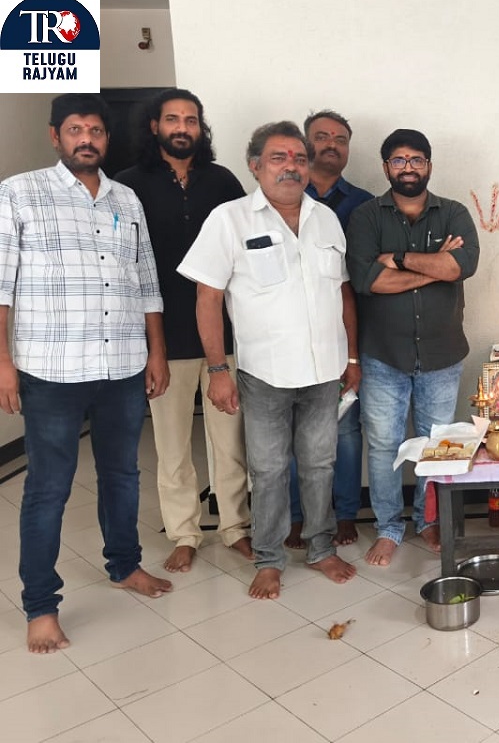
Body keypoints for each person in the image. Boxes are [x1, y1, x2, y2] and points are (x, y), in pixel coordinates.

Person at [0, 93, 173, 653]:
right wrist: (2, 363)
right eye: (75, 130)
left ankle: (124, 565)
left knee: (122, 474)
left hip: (121, 364)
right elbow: (1, 287)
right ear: (56, 136)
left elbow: (147, 282)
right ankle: (41, 606)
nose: (86, 140)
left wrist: (156, 352)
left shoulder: (126, 198)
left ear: (106, 138)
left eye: (95, 131)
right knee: (48, 488)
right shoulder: (19, 193)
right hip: (51, 370)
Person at [177, 121, 359, 599]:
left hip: (324, 371)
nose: (291, 167)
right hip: (265, 373)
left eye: (299, 158)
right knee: (269, 469)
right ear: (255, 166)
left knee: (320, 464)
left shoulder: (326, 219)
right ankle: (269, 559)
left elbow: (342, 293)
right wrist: (219, 370)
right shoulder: (230, 219)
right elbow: (208, 298)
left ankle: (320, 548)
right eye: (279, 158)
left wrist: (351, 356)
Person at [115, 88, 251, 574]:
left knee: (230, 441)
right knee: (171, 444)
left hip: (224, 337)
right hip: (162, 339)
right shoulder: (127, 185)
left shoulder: (223, 181)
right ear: (155, 126)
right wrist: (147, 345)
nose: (182, 127)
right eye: (172, 119)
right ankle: (184, 533)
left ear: (200, 127)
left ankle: (235, 527)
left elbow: (245, 252)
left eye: (190, 120)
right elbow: (122, 265)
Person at [345, 128, 479, 564]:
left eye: (416, 159)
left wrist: (398, 259)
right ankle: (388, 527)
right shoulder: (366, 217)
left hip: (441, 352)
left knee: (436, 444)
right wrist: (435, 267)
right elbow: (368, 281)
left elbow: (462, 266)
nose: (408, 167)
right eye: (399, 160)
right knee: (384, 445)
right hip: (382, 354)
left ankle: (428, 519)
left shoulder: (454, 213)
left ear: (429, 166)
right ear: (386, 167)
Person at [282, 110, 374, 549]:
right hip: (292, 337)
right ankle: (298, 516)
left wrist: (353, 352)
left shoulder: (366, 205)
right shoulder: (281, 198)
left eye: (340, 138)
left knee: (346, 430)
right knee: (294, 434)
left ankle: (344, 513)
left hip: (348, 334)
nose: (331, 145)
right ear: (305, 145)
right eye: (322, 137)